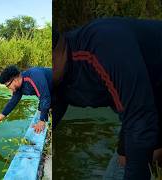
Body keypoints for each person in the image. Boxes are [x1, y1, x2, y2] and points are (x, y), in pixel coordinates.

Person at [52, 17, 162, 180]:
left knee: (138, 154)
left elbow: (140, 122)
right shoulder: (58, 77)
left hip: (146, 104)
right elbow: (49, 116)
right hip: (146, 99)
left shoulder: (103, 47)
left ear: (55, 57)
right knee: (125, 158)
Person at [0, 65, 54, 134]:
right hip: (50, 91)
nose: (9, 89)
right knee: (44, 108)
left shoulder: (34, 77)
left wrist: (42, 120)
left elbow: (44, 97)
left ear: (15, 80)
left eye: (8, 86)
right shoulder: (19, 86)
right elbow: (12, 103)